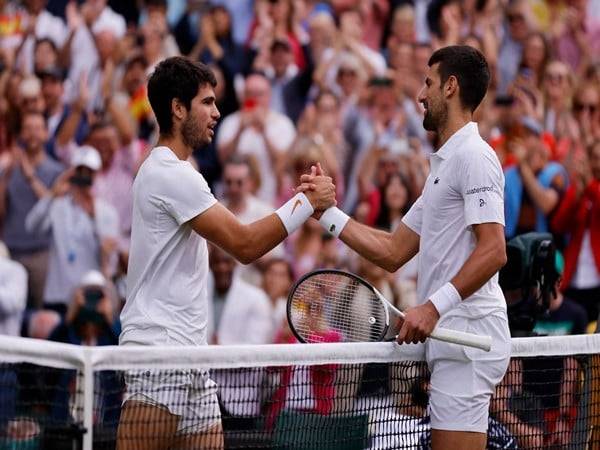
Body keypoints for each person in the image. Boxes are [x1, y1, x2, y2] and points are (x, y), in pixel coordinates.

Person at [116, 56, 335, 450]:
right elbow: (246, 245)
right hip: (159, 355)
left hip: (190, 357)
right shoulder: (170, 173)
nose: (218, 112)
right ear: (178, 109)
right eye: (207, 103)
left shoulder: (177, 171)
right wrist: (306, 204)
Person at [300, 45, 510, 450]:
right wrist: (326, 213)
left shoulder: (475, 157)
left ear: (450, 87)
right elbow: (394, 250)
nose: (420, 94)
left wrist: (432, 308)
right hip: (454, 339)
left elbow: (494, 249)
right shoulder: (447, 166)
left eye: (428, 83)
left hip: (467, 340)